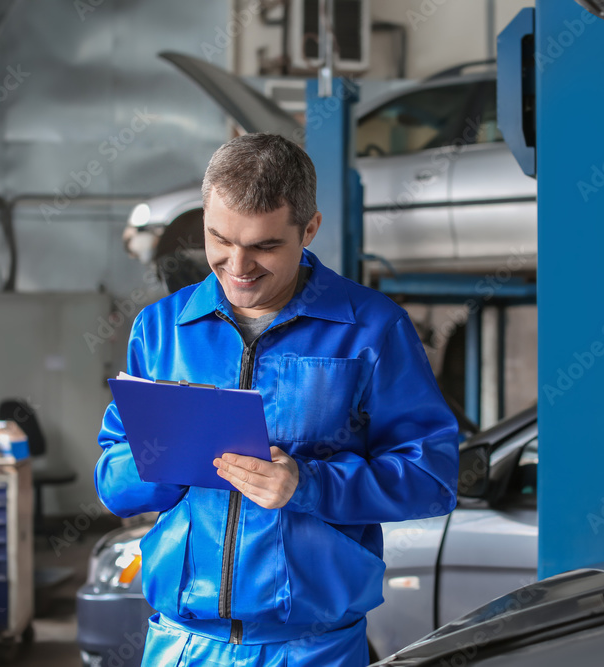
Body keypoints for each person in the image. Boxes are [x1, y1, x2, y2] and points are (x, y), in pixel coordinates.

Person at [96, 133, 459, 666]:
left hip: (312, 649)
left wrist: (307, 484)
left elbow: (432, 480)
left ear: (309, 229)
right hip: (181, 646)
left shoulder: (370, 331)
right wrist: (168, 458)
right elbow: (112, 483)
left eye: (264, 245)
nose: (237, 265)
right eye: (219, 239)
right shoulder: (161, 329)